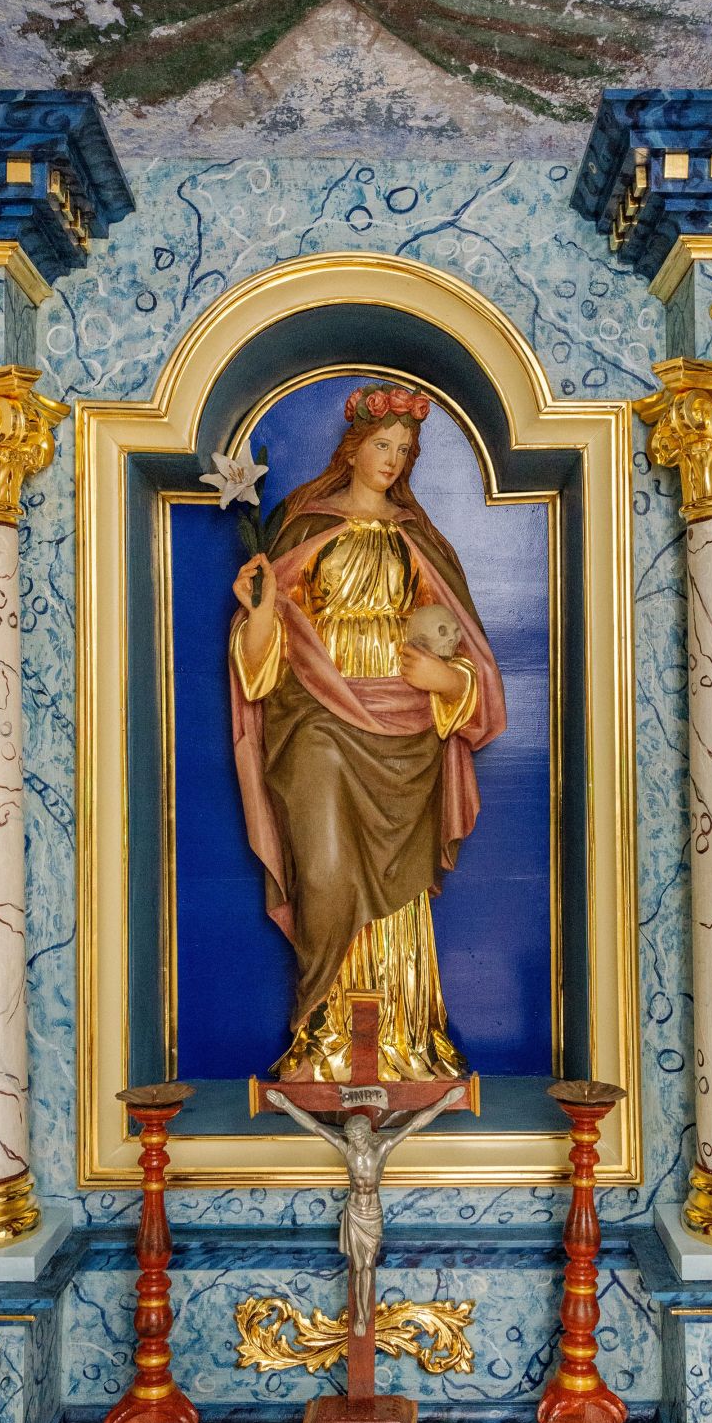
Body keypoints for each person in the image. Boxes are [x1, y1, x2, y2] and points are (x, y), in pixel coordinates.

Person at [230, 382, 506, 1082]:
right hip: (317, 718)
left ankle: (398, 1041)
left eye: (404, 450)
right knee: (324, 871)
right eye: (382, 444)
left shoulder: (419, 540)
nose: (392, 459)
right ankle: (324, 1038)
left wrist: (449, 682)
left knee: (395, 889)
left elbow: (464, 649)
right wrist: (258, 612)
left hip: (404, 732)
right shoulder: (303, 528)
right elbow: (261, 664)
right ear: (352, 448)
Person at [265, 1089, 464, 1335]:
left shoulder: (382, 1149)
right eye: (351, 1137)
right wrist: (285, 1104)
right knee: (358, 1267)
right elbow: (316, 1127)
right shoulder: (346, 1149)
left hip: (372, 1213)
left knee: (368, 1266)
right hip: (354, 1211)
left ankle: (363, 1313)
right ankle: (360, 1314)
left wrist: (445, 1101)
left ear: (367, 1134)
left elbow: (414, 1125)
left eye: (358, 1137)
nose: (355, 1142)